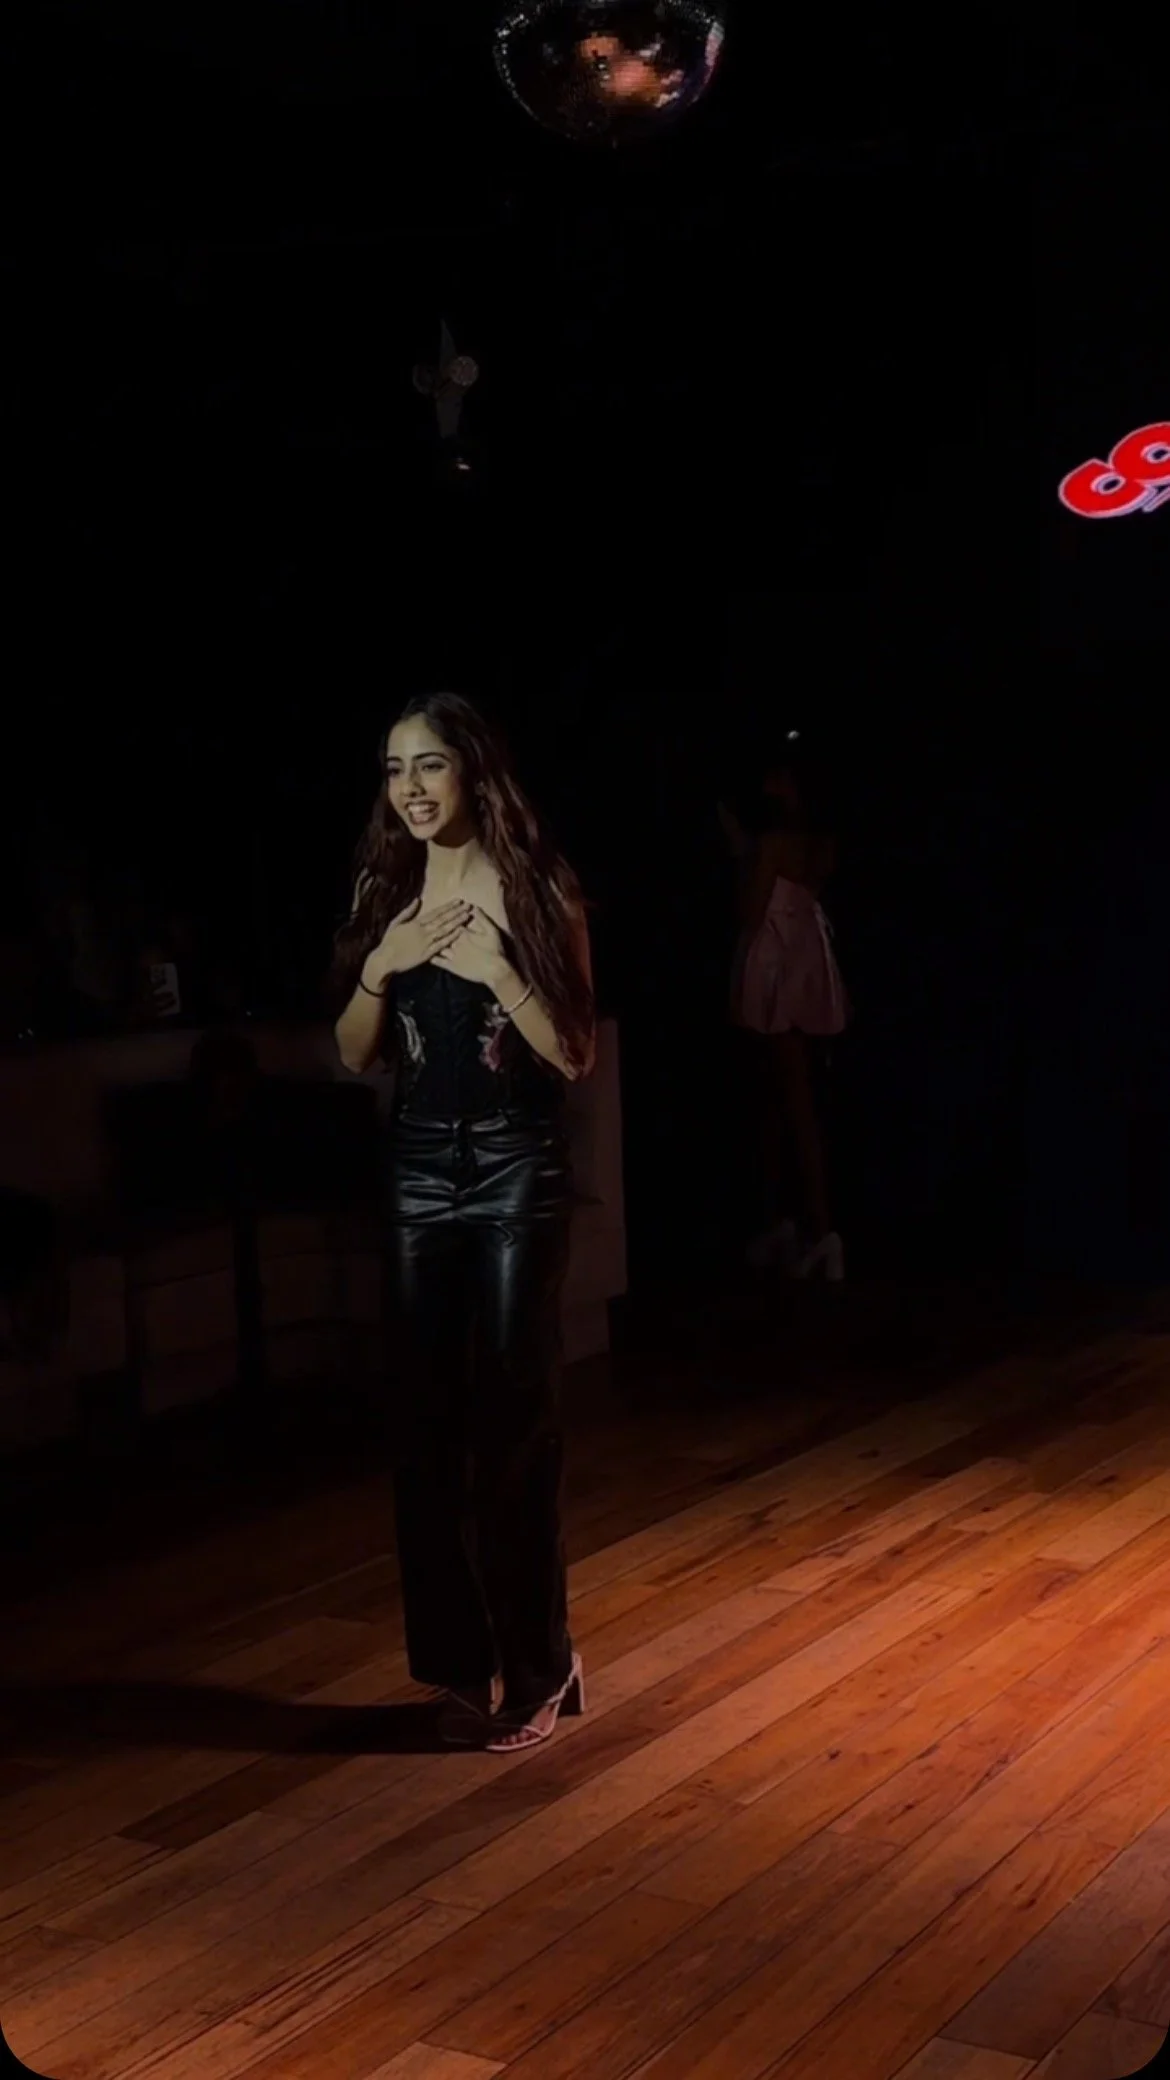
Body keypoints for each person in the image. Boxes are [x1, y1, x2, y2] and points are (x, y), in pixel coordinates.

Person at [330, 692, 596, 1753]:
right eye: (395, 768)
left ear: (473, 772)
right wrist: (379, 965)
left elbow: (575, 1053)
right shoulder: (384, 888)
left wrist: (497, 970)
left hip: (515, 1166)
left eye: (429, 765)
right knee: (425, 1425)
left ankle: (541, 1664)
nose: (410, 788)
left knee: (514, 1422)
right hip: (414, 1170)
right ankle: (456, 1661)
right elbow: (355, 1052)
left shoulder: (537, 885)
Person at [720, 738, 848, 1280]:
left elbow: (750, 911)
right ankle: (785, 1225)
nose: (768, 786)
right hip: (801, 965)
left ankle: (822, 1232)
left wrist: (742, 856)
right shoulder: (820, 840)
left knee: (792, 1102)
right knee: (777, 1099)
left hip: (779, 970)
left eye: (778, 778)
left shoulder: (775, 841)